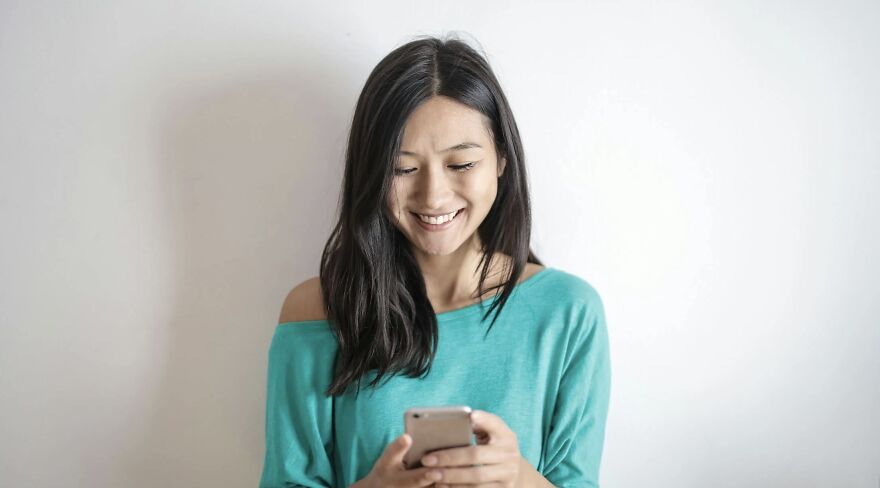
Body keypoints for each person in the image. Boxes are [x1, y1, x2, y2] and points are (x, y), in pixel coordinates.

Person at [259, 34, 611, 488]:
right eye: (403, 169)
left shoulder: (568, 313)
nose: (433, 196)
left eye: (461, 164)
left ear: (502, 159)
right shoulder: (316, 311)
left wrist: (518, 477)